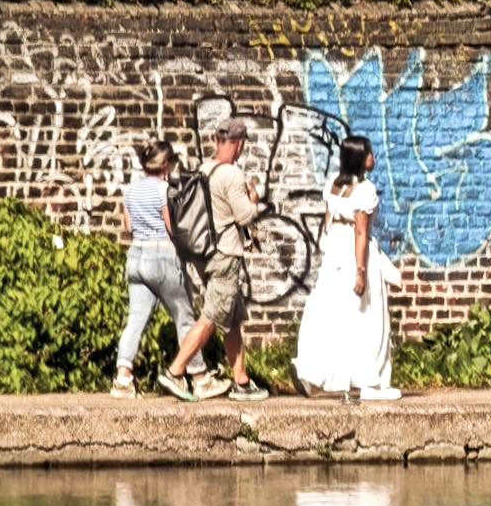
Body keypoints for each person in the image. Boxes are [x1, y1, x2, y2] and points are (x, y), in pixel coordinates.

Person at [159, 119, 269, 402]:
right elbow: (244, 216)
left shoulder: (205, 169)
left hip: (205, 253)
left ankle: (241, 381)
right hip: (225, 255)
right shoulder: (231, 174)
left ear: (217, 141)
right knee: (212, 316)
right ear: (239, 144)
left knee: (232, 318)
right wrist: (254, 199)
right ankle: (176, 370)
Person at [294, 132, 401, 401]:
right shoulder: (365, 190)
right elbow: (361, 233)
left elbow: (328, 221)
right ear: (360, 159)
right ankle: (371, 382)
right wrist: (361, 272)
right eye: (369, 153)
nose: (373, 157)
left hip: (335, 253)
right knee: (371, 317)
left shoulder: (333, 185)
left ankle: (312, 369)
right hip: (355, 255)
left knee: (333, 315)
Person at [110, 140, 187, 394]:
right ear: (165, 164)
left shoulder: (131, 190)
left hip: (136, 255)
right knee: (184, 316)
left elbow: (129, 226)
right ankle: (198, 374)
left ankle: (123, 377)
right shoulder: (164, 190)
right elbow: (170, 226)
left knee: (135, 319)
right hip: (161, 254)